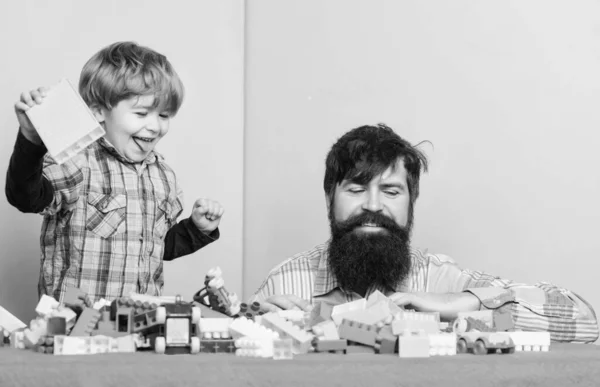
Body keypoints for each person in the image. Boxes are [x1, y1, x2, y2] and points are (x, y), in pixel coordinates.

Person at [252, 123, 598, 343]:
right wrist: (255, 326)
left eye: (390, 191)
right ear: (330, 197)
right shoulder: (285, 281)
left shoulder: (441, 278)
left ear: (411, 202)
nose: (373, 206)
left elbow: (584, 319)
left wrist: (458, 303)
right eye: (356, 190)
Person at [5, 41, 224, 303]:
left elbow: (155, 247)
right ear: (98, 110)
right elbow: (25, 196)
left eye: (164, 116)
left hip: (139, 323)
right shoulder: (79, 162)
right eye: (142, 113)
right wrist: (31, 140)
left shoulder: (163, 176)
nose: (155, 126)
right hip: (76, 326)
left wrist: (196, 229)